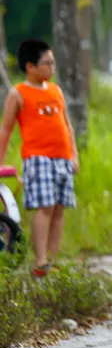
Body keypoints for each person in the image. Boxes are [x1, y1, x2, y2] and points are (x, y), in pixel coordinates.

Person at [0, 40, 80, 277]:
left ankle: (52, 261)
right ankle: (40, 260)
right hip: (38, 159)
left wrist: (74, 155)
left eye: (52, 62)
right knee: (44, 208)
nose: (51, 67)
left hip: (62, 158)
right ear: (30, 66)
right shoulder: (18, 94)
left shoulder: (56, 91)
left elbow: (68, 125)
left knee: (58, 209)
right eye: (47, 62)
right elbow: (6, 130)